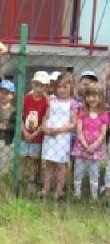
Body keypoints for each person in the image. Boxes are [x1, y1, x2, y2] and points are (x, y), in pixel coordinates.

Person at [40, 72, 78, 200]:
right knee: (49, 163)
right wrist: (44, 126)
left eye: (65, 87)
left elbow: (73, 123)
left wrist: (59, 130)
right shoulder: (52, 100)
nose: (61, 90)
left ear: (71, 88)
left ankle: (59, 190)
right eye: (59, 87)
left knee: (61, 164)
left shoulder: (72, 104)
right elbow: (46, 115)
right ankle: (45, 188)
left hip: (62, 137)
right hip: (49, 135)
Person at [72, 83, 108, 201]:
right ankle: (77, 195)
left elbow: (103, 133)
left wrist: (94, 146)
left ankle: (94, 197)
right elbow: (79, 130)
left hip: (95, 149)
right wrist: (85, 144)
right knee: (78, 172)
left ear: (101, 97)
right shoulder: (82, 112)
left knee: (94, 173)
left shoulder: (104, 115)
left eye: (94, 96)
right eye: (89, 96)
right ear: (85, 97)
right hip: (81, 148)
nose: (91, 99)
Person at [20, 71, 50, 194]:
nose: (39, 88)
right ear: (33, 84)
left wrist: (36, 133)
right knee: (22, 158)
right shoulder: (26, 98)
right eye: (37, 85)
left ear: (46, 87)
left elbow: (45, 119)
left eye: (42, 86)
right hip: (24, 134)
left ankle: (32, 180)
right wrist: (24, 131)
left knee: (34, 159)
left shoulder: (46, 102)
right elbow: (20, 117)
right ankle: (20, 178)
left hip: (37, 136)